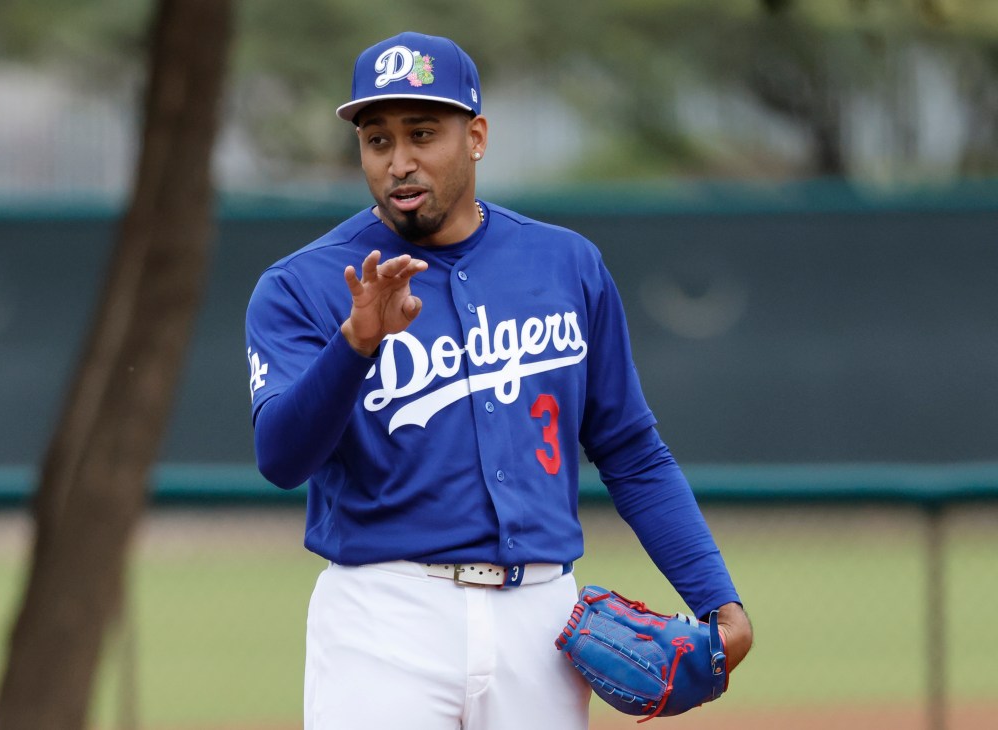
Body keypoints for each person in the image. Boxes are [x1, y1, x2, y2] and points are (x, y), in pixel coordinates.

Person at [245, 31, 752, 730]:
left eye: (423, 133)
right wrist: (356, 342)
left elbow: (631, 450)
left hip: (541, 619)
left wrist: (717, 601)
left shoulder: (566, 265)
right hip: (384, 618)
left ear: (476, 136)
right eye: (378, 140)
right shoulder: (304, 285)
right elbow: (280, 457)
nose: (400, 161)